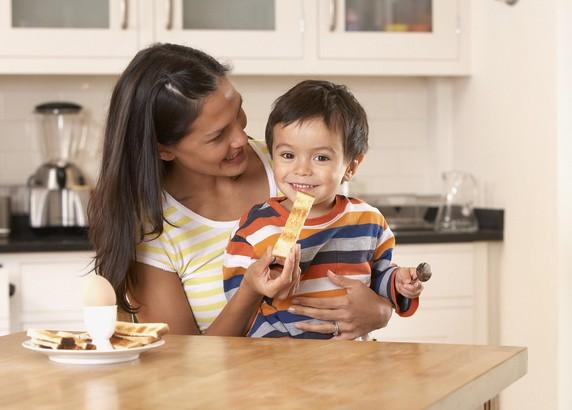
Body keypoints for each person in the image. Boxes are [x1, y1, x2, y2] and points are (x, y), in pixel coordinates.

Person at [88, 42, 407, 338]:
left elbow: (360, 260)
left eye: (238, 113)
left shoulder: (293, 165)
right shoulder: (152, 229)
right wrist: (250, 292)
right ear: (164, 149)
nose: (241, 138)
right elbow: (183, 361)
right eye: (217, 136)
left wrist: (381, 310)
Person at [223, 80, 424, 338]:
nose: (302, 170)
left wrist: (398, 283)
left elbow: (377, 278)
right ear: (272, 157)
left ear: (351, 166)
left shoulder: (368, 221)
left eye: (321, 158)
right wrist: (263, 286)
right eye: (287, 155)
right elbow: (237, 298)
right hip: (276, 360)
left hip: (350, 360)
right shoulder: (256, 226)